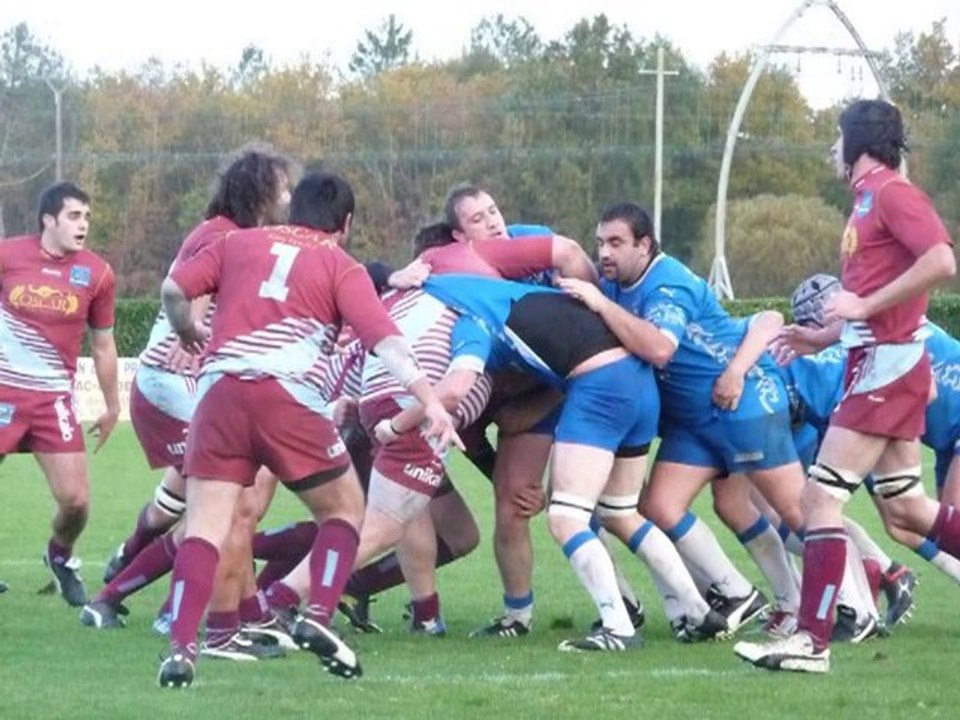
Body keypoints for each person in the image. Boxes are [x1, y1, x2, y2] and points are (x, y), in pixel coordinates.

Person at [155, 171, 457, 689]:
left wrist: (188, 330)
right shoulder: (341, 264)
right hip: (287, 396)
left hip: (219, 394)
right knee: (345, 509)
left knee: (204, 526)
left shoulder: (236, 242)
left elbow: (173, 289)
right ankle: (317, 616)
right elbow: (388, 344)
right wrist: (431, 401)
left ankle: (182, 648)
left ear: (292, 211)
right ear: (346, 223)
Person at [733, 98, 957, 673]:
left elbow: (940, 260)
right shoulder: (865, 200)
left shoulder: (890, 192)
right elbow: (871, 300)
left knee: (818, 500)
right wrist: (823, 335)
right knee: (906, 508)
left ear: (856, 141)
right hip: (877, 361)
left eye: (837, 138)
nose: (832, 149)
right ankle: (813, 638)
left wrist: (863, 304)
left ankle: (812, 640)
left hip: (887, 367)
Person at [409, 273, 728, 649]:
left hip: (601, 386)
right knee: (621, 512)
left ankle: (618, 627)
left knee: (566, 518)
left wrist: (396, 423)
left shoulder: (468, 316)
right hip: (638, 383)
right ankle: (697, 610)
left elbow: (458, 386)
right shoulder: (507, 293)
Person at [79, 147, 296, 661]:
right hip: (176, 383)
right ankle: (226, 619)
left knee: (192, 504)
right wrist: (194, 328)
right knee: (229, 505)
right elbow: (184, 297)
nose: (287, 197)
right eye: (282, 187)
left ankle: (120, 587)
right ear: (260, 190)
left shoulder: (236, 234)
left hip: (195, 385)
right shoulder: (220, 233)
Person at [559, 202, 801, 635]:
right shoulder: (618, 284)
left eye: (615, 242)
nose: (605, 253)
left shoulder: (667, 282)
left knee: (800, 511)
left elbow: (659, 348)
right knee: (662, 506)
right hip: (691, 420)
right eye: (600, 243)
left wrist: (599, 303)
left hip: (737, 405)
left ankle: (857, 593)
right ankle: (742, 594)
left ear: (645, 245)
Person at [0, 181, 118, 607]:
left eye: (86, 216)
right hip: (4, 392)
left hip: (53, 401)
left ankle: (60, 555)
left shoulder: (98, 273)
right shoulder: (8, 255)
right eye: (74, 216)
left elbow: (103, 344)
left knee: (76, 502)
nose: (83, 224)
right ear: (48, 220)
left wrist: (112, 405)